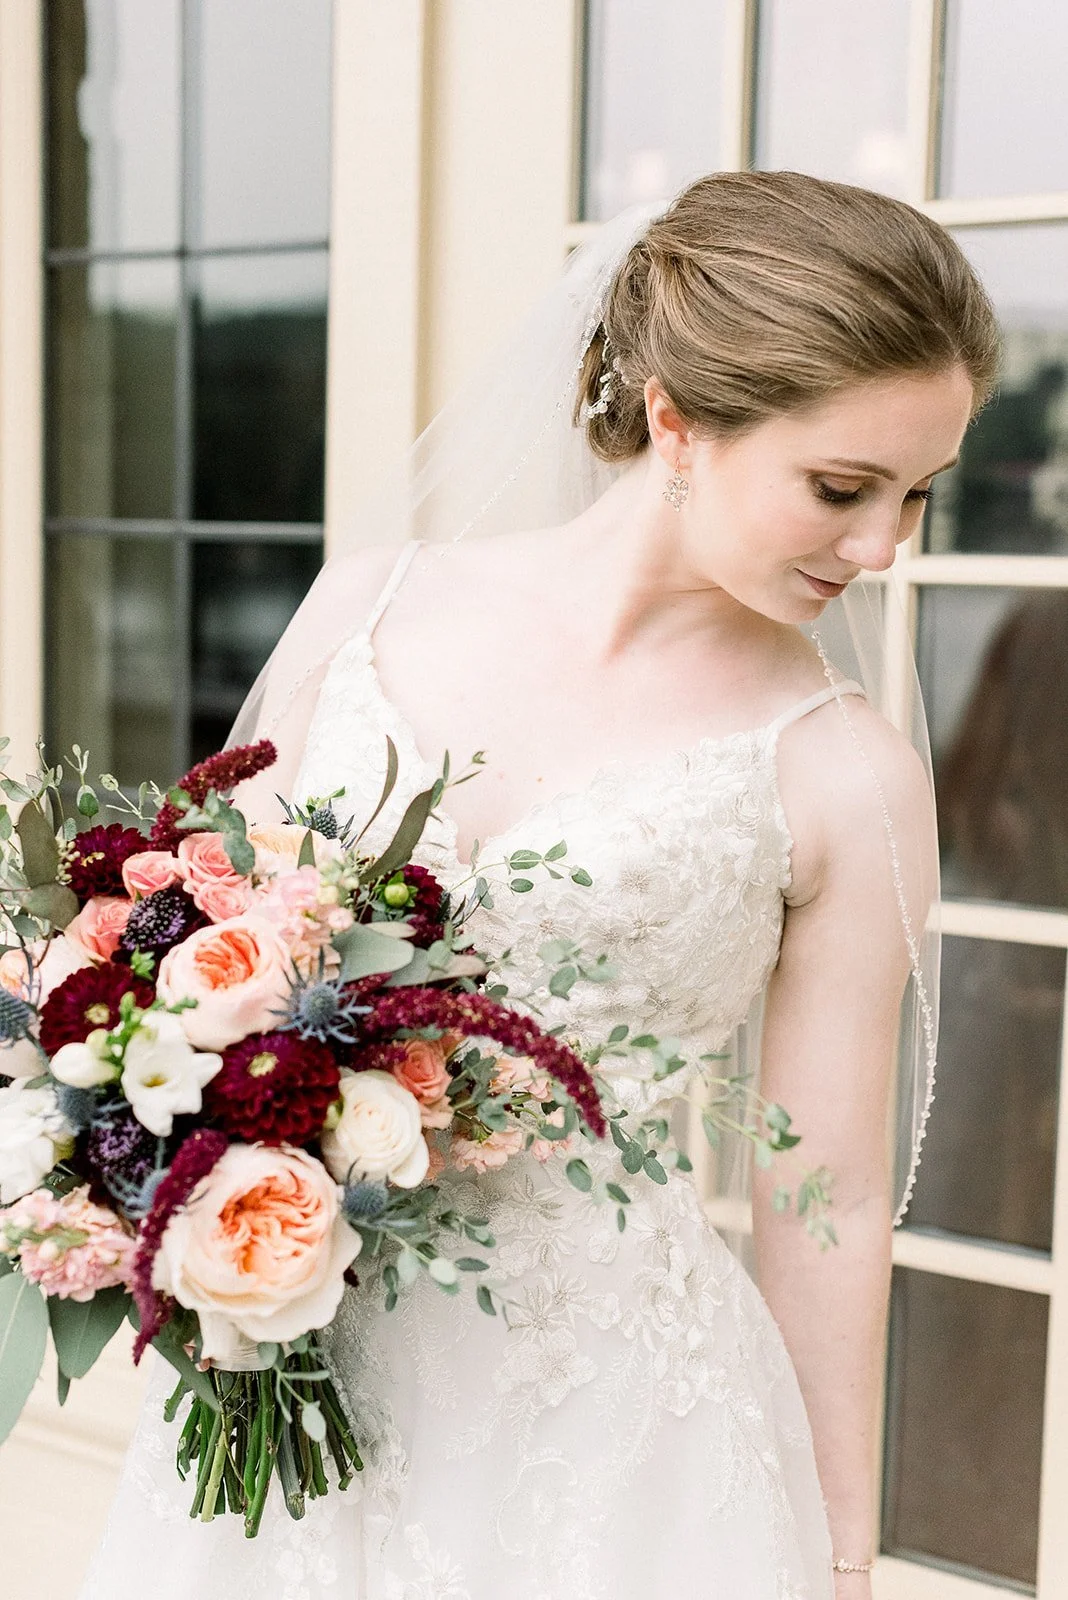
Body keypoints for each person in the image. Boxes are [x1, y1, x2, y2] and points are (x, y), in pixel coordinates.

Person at [77, 171, 999, 1600]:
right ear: (678, 423)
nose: (883, 549)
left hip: (615, 1433)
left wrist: (841, 1551)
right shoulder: (370, 608)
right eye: (841, 488)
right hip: (291, 1344)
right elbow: (206, 948)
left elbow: (826, 1190)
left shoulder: (846, 773)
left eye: (916, 494)